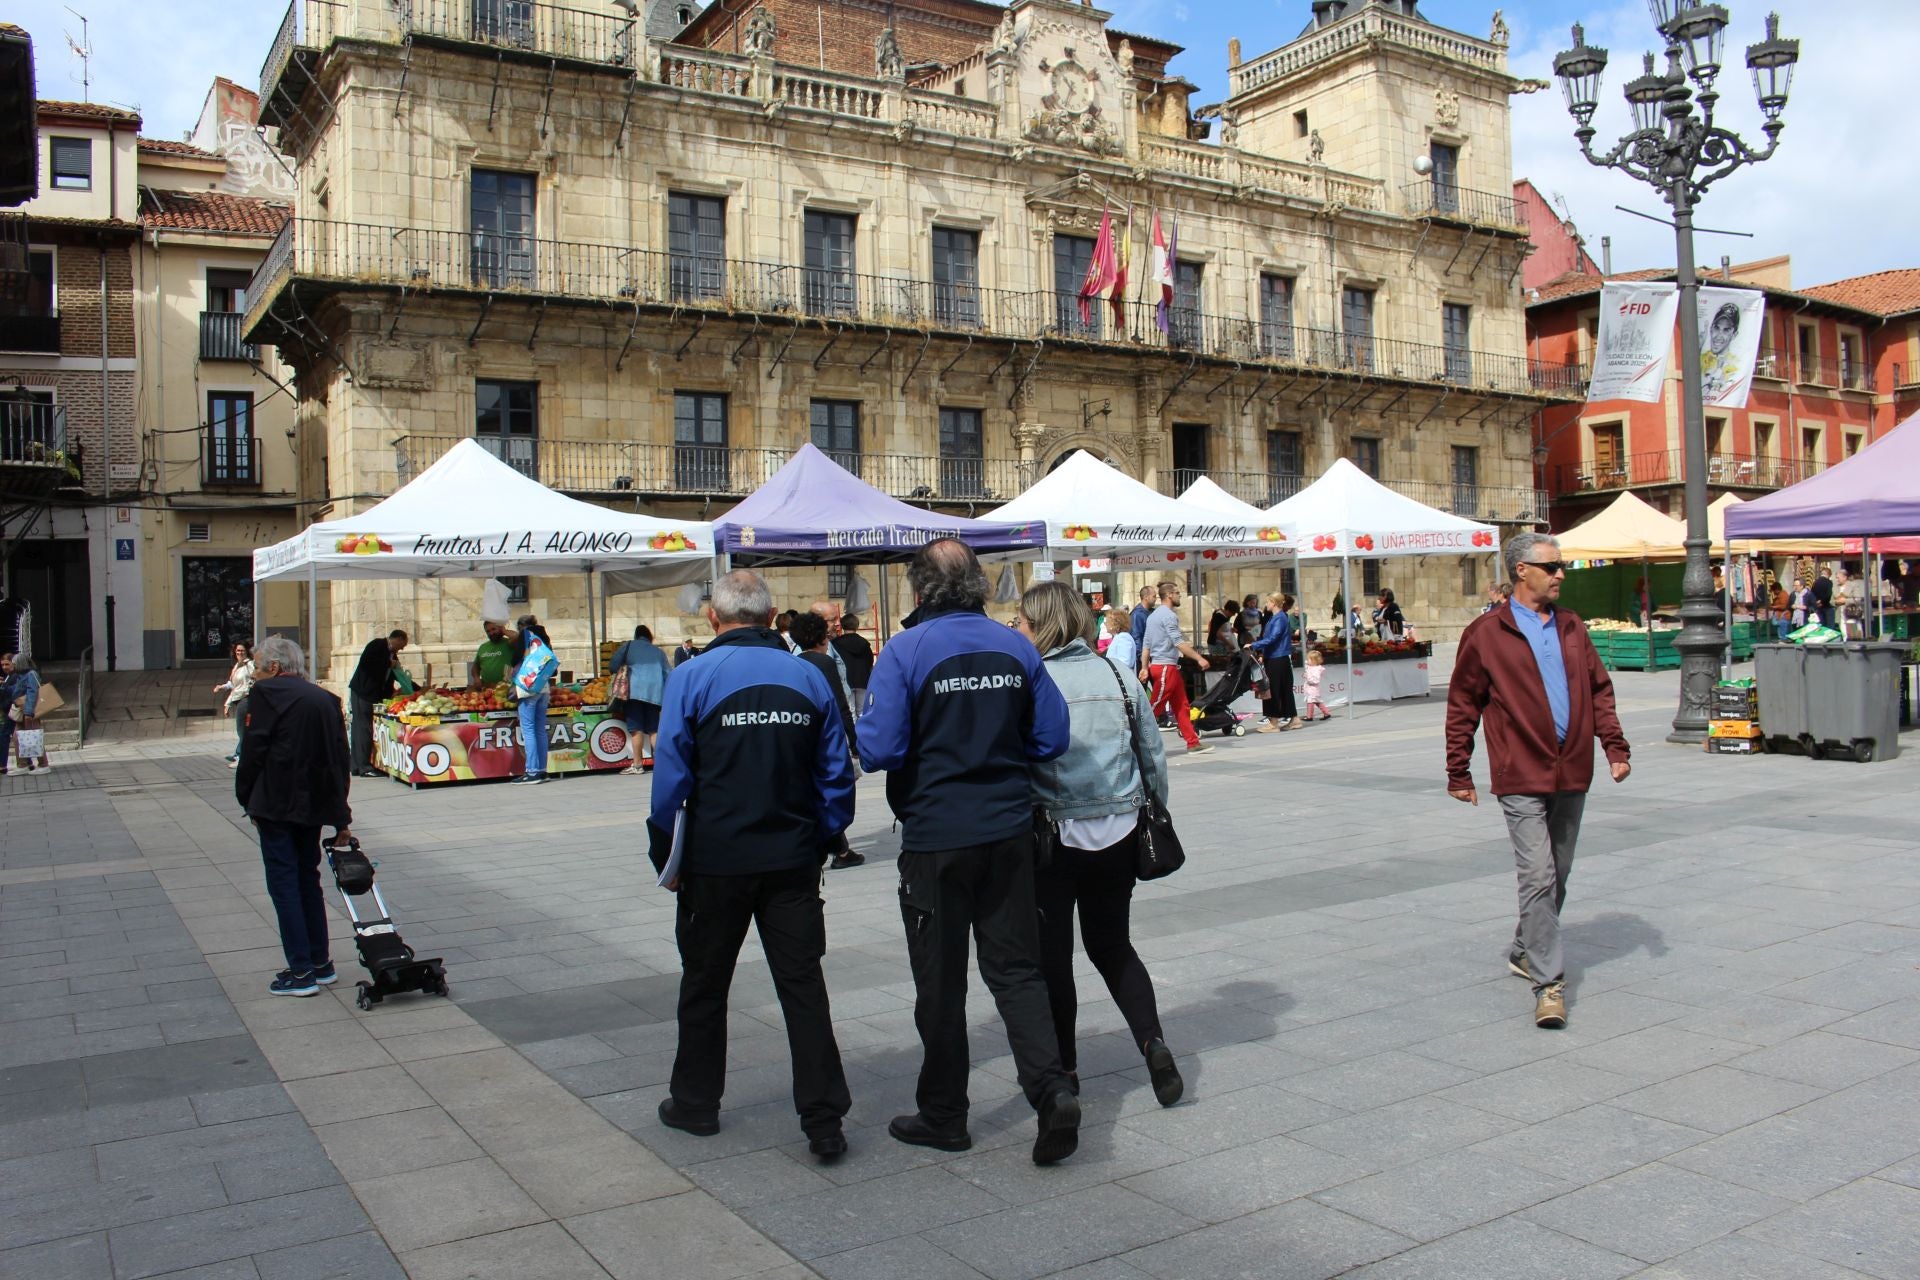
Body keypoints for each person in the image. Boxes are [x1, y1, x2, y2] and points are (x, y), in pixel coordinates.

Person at [857, 538, 1081, 1166]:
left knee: (941, 979)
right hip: (1009, 830)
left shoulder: (905, 650)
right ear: (979, 584)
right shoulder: (1016, 645)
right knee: (1017, 970)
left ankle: (945, 1114)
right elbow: (1053, 737)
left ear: (919, 590)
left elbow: (878, 748)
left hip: (936, 836)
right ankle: (1052, 1086)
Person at [647, 570, 856, 1161]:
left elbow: (670, 781)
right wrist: (823, 836)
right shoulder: (806, 676)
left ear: (713, 619)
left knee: (705, 984)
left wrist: (667, 852)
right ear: (771, 617)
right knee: (803, 987)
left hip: (716, 861)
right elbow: (836, 773)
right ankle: (823, 1120)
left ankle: (696, 1104)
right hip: (791, 857)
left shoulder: (691, 677)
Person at [1445, 533, 1631, 1031]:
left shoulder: (1572, 626)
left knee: (1559, 872)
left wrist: (1615, 746)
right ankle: (1549, 983)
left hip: (1572, 769)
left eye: (1561, 566)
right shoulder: (1486, 633)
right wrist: (1457, 770)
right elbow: (1463, 704)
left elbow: (1599, 689)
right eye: (1551, 567)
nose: (1561, 574)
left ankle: (1526, 948)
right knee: (1538, 875)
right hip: (1520, 771)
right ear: (1520, 570)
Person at [1016, 581, 1183, 1107]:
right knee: (1113, 945)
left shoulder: (1032, 678)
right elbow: (1151, 751)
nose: (1017, 630)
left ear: (1042, 624)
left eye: (1022, 621)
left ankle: (1065, 1071)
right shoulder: (1114, 671)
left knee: (1053, 960)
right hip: (1120, 827)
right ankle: (1153, 1041)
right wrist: (1155, 806)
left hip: (1055, 833)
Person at [234, 637, 354, 997]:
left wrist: (246, 798)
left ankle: (301, 970)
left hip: (276, 803)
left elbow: (253, 752)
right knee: (307, 879)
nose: (255, 674)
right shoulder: (326, 700)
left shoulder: (267, 696)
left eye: (257, 667)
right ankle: (320, 962)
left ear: (273, 667)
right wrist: (341, 816)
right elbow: (339, 761)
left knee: (284, 883)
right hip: (312, 804)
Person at [791, 611, 865, 871]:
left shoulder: (795, 661)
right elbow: (839, 702)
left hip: (802, 731)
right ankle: (837, 846)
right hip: (826, 733)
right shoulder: (824, 663)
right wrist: (854, 739)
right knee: (834, 788)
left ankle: (839, 847)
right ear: (823, 638)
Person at [1143, 580, 1212, 756]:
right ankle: (1134, 741)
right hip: (1165, 666)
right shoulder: (1168, 616)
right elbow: (1179, 642)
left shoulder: (1153, 616)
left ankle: (1193, 743)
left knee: (1181, 706)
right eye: (1177, 593)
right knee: (1155, 707)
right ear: (1169, 595)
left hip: (1164, 666)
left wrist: (1144, 667)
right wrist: (1199, 658)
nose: (1179, 595)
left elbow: (1146, 644)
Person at [347, 629, 407, 777]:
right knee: (362, 727)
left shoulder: (392, 654)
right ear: (397, 639)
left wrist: (414, 689)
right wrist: (388, 663)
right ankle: (363, 767)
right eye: (402, 644)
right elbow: (368, 664)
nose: (402, 648)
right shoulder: (377, 645)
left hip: (372, 695)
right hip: (363, 693)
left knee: (362, 727)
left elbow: (396, 675)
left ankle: (357, 765)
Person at [611, 624, 671, 773]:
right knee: (653, 730)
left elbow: (612, 666)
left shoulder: (628, 646)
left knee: (636, 729)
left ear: (636, 635)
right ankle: (662, 765)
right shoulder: (658, 652)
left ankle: (637, 765)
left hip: (634, 693)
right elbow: (668, 674)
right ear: (649, 636)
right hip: (655, 695)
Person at [512, 614, 558, 784]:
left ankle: (531, 771)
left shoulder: (526, 636)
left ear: (521, 626)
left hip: (528, 686)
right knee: (539, 729)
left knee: (528, 729)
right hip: (543, 686)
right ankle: (542, 770)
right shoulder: (544, 637)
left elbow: (516, 658)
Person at [1251, 593, 1300, 732]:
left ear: (1273, 603)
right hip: (1277, 657)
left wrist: (1254, 645)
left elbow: (1273, 637)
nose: (1266, 604)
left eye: (1268, 601)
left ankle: (1273, 723)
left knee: (1272, 690)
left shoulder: (1279, 618)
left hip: (1276, 658)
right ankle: (1294, 719)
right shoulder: (1279, 617)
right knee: (1284, 689)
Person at [7, 653, 50, 773]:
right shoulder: (20, 675)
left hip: (28, 712)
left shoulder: (30, 674)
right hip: (22, 711)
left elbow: (32, 693)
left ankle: (43, 764)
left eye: (14, 663)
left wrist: (28, 712)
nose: (13, 665)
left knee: (34, 736)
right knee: (17, 737)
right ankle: (22, 765)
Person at [215, 641, 255, 767]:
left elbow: (245, 686)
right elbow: (234, 684)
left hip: (246, 700)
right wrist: (222, 687)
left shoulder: (249, 665)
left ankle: (242, 758)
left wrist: (228, 703)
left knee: (242, 730)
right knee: (243, 730)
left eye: (242, 650)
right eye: (238, 651)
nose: (240, 653)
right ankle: (238, 753)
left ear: (247, 651)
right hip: (240, 700)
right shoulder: (238, 665)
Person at [1699, 300, 1744, 401]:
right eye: (1716, 328)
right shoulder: (1700, 357)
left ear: (1734, 334)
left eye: (1726, 330)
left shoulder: (1736, 365)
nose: (1718, 336)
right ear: (1711, 329)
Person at [831, 614, 875, 710]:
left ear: (842, 626)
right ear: (857, 626)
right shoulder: (864, 643)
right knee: (862, 711)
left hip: (845, 680)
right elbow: (870, 662)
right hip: (863, 680)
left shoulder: (836, 643)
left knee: (850, 712)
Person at [469, 618, 515, 688]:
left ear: (500, 628)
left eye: (493, 629)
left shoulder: (509, 643)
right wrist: (476, 678)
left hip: (506, 689)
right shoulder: (483, 647)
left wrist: (504, 630)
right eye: (488, 631)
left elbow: (516, 636)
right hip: (487, 690)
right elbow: (475, 667)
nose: (491, 633)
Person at [1102, 606, 1137, 673]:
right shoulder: (1119, 637)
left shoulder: (1123, 638)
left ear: (1114, 623)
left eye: (1107, 622)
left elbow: (1124, 663)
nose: (1105, 624)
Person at [1301, 647, 1330, 722]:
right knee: (1317, 701)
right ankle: (1326, 713)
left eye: (1309, 659)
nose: (1307, 661)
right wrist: (1306, 674)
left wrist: (1308, 677)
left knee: (1310, 702)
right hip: (1311, 688)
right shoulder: (1311, 667)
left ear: (1314, 661)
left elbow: (1315, 680)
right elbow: (1306, 666)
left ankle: (1309, 716)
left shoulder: (1316, 669)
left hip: (1313, 688)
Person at [1128, 585, 1155, 660]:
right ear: (1146, 597)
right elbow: (1136, 637)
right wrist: (1142, 657)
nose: (1155, 599)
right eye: (1154, 596)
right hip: (1144, 658)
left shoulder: (1152, 612)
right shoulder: (1137, 614)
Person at [0, 652, 15, 774]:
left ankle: (2, 765)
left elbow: (14, 692)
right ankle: (28, 762)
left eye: (7, 664)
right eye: (2, 665)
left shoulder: (15, 676)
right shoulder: (8, 677)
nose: (4, 667)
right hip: (9, 710)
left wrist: (3, 686)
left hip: (13, 710)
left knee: (4, 736)